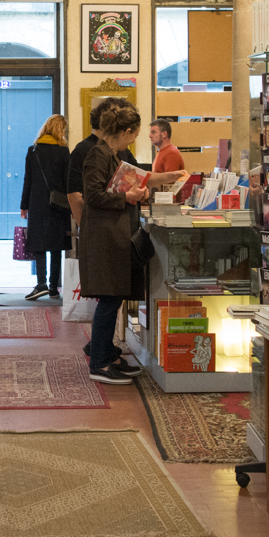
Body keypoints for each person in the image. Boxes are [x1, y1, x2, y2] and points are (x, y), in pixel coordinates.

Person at [79, 101, 150, 384]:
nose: (133, 141)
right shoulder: (97, 155)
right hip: (104, 238)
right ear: (126, 131)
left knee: (113, 297)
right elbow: (93, 196)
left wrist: (133, 193)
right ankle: (99, 363)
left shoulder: (108, 154)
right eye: (134, 135)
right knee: (108, 300)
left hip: (112, 235)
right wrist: (127, 197)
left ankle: (107, 354)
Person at [67, 98, 184, 224]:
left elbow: (139, 176)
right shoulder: (87, 150)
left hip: (120, 221)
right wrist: (83, 227)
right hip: (101, 224)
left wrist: (167, 178)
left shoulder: (120, 149)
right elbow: (76, 194)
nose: (133, 140)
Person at [18, 114, 71, 301]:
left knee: (39, 243)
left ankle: (41, 284)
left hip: (37, 203)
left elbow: (28, 180)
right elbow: (68, 182)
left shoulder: (33, 151)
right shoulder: (64, 152)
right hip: (59, 204)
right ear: (60, 130)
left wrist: (24, 205)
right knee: (56, 245)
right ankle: (53, 287)